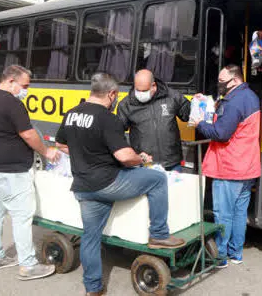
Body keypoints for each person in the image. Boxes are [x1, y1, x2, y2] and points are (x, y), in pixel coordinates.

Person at [55, 72, 185, 296]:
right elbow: (125, 157)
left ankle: (93, 289)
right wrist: (141, 159)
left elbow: (61, 144)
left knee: (90, 237)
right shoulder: (107, 118)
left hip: (83, 187)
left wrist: (85, 154)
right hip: (108, 182)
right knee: (157, 179)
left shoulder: (72, 114)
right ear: (112, 94)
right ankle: (159, 235)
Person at [0, 64, 59, 280]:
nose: (26, 90)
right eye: (25, 85)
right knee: (22, 217)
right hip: (11, 170)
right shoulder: (13, 104)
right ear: (11, 81)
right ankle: (28, 265)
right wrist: (46, 151)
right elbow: (29, 134)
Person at [191, 65, 261, 268]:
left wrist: (199, 125)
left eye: (222, 81)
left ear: (235, 80)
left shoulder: (234, 102)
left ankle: (220, 256)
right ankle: (236, 254)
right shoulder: (249, 96)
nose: (219, 83)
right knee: (240, 213)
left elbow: (221, 133)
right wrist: (205, 102)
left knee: (223, 214)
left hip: (229, 167)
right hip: (247, 166)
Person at [117, 69, 190, 172]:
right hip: (144, 165)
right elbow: (117, 134)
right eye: (137, 90)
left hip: (172, 163)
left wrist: (197, 104)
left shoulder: (171, 96)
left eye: (144, 91)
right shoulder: (126, 104)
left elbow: (187, 115)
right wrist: (133, 156)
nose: (140, 94)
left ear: (154, 86)